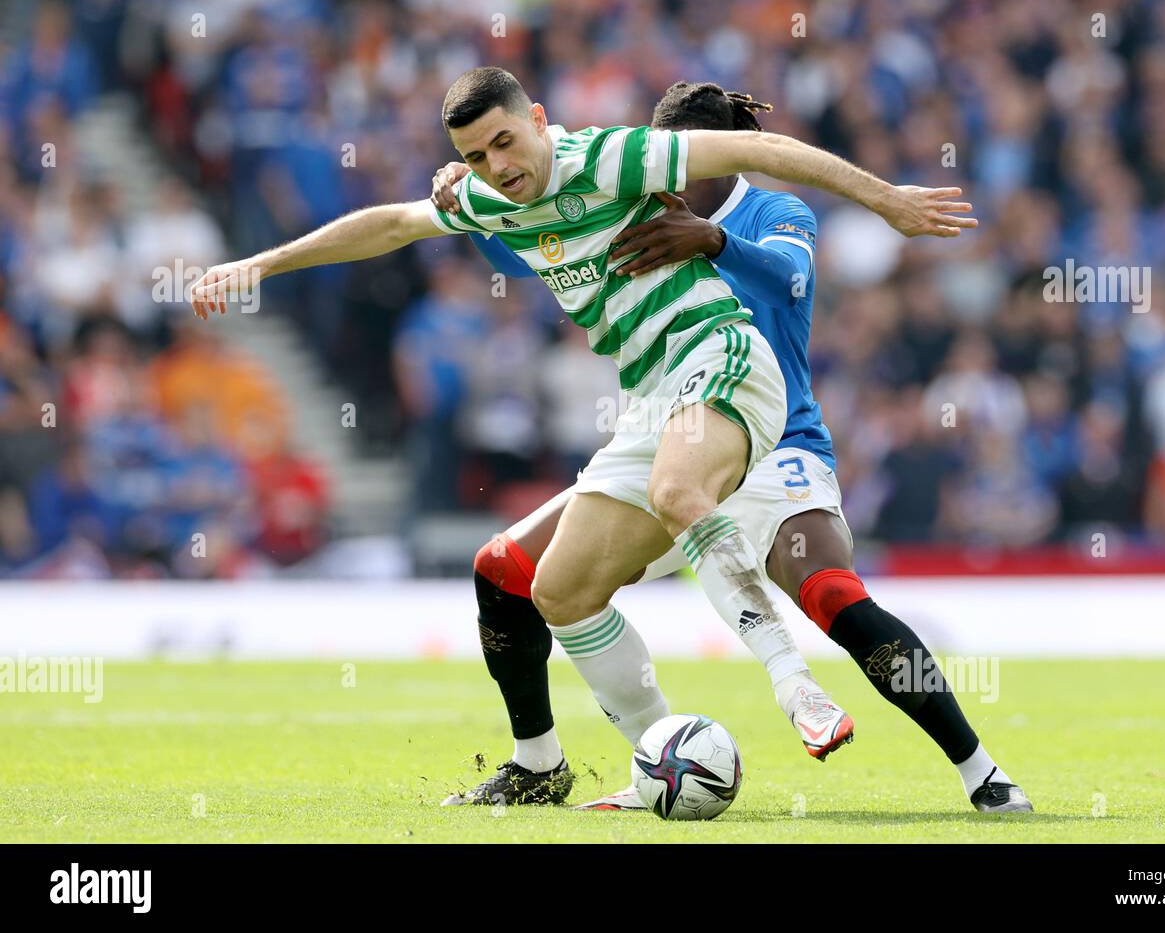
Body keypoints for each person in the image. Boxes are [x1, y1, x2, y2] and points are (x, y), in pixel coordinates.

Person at [190, 65, 979, 809]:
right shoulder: (489, 197)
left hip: (724, 358)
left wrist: (886, 201)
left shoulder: (608, 156)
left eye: (505, 141)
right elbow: (392, 224)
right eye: (474, 155)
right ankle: (657, 760)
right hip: (651, 401)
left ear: (538, 120)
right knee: (555, 590)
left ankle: (797, 684)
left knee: (684, 495)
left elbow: (757, 147)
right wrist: (260, 264)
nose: (496, 165)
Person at [435, 82, 1031, 813]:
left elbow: (790, 279)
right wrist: (466, 199)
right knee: (507, 569)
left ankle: (980, 768)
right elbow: (536, 248)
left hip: (778, 443)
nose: (674, 182)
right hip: (672, 439)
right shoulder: (633, 202)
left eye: (688, 167)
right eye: (667, 168)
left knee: (830, 592)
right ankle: (553, 761)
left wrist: (714, 240)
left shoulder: (773, 211)